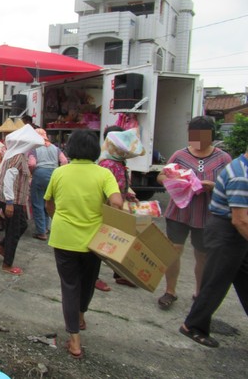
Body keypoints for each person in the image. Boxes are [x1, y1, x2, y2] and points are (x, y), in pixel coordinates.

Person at [44, 129, 123, 359]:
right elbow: (116, 203)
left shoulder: (60, 173)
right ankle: (80, 316)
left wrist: (58, 218)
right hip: (93, 241)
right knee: (88, 282)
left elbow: (49, 203)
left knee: (69, 285)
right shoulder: (104, 174)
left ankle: (75, 340)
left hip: (63, 238)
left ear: (71, 148)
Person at [156, 116, 232, 310]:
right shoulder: (180, 155)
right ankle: (170, 291)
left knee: (202, 255)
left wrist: (213, 186)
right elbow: (161, 175)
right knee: (174, 251)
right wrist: (176, 182)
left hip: (207, 214)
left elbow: (230, 184)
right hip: (178, 212)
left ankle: (199, 293)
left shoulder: (223, 158)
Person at [180, 146, 248, 348]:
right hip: (226, 231)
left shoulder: (241, 166)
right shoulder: (241, 176)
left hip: (231, 230)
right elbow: (240, 220)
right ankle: (193, 326)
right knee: (215, 281)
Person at [95, 126, 144, 291]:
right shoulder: (107, 163)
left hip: (117, 207)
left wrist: (129, 195)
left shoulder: (118, 161)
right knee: (100, 244)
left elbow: (120, 184)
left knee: (116, 242)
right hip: (108, 209)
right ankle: (93, 276)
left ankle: (120, 274)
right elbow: (103, 188)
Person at [0, 124, 44, 275]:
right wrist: (9, 203)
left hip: (12, 199)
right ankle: (7, 264)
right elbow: (8, 179)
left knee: (21, 225)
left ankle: (2, 247)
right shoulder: (17, 157)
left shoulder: (12, 154)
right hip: (12, 200)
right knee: (14, 230)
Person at [28, 128, 68, 241]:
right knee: (49, 202)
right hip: (54, 175)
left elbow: (31, 163)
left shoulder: (34, 149)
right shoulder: (56, 148)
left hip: (40, 175)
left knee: (37, 203)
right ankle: (47, 227)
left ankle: (41, 232)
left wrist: (32, 173)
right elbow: (64, 161)